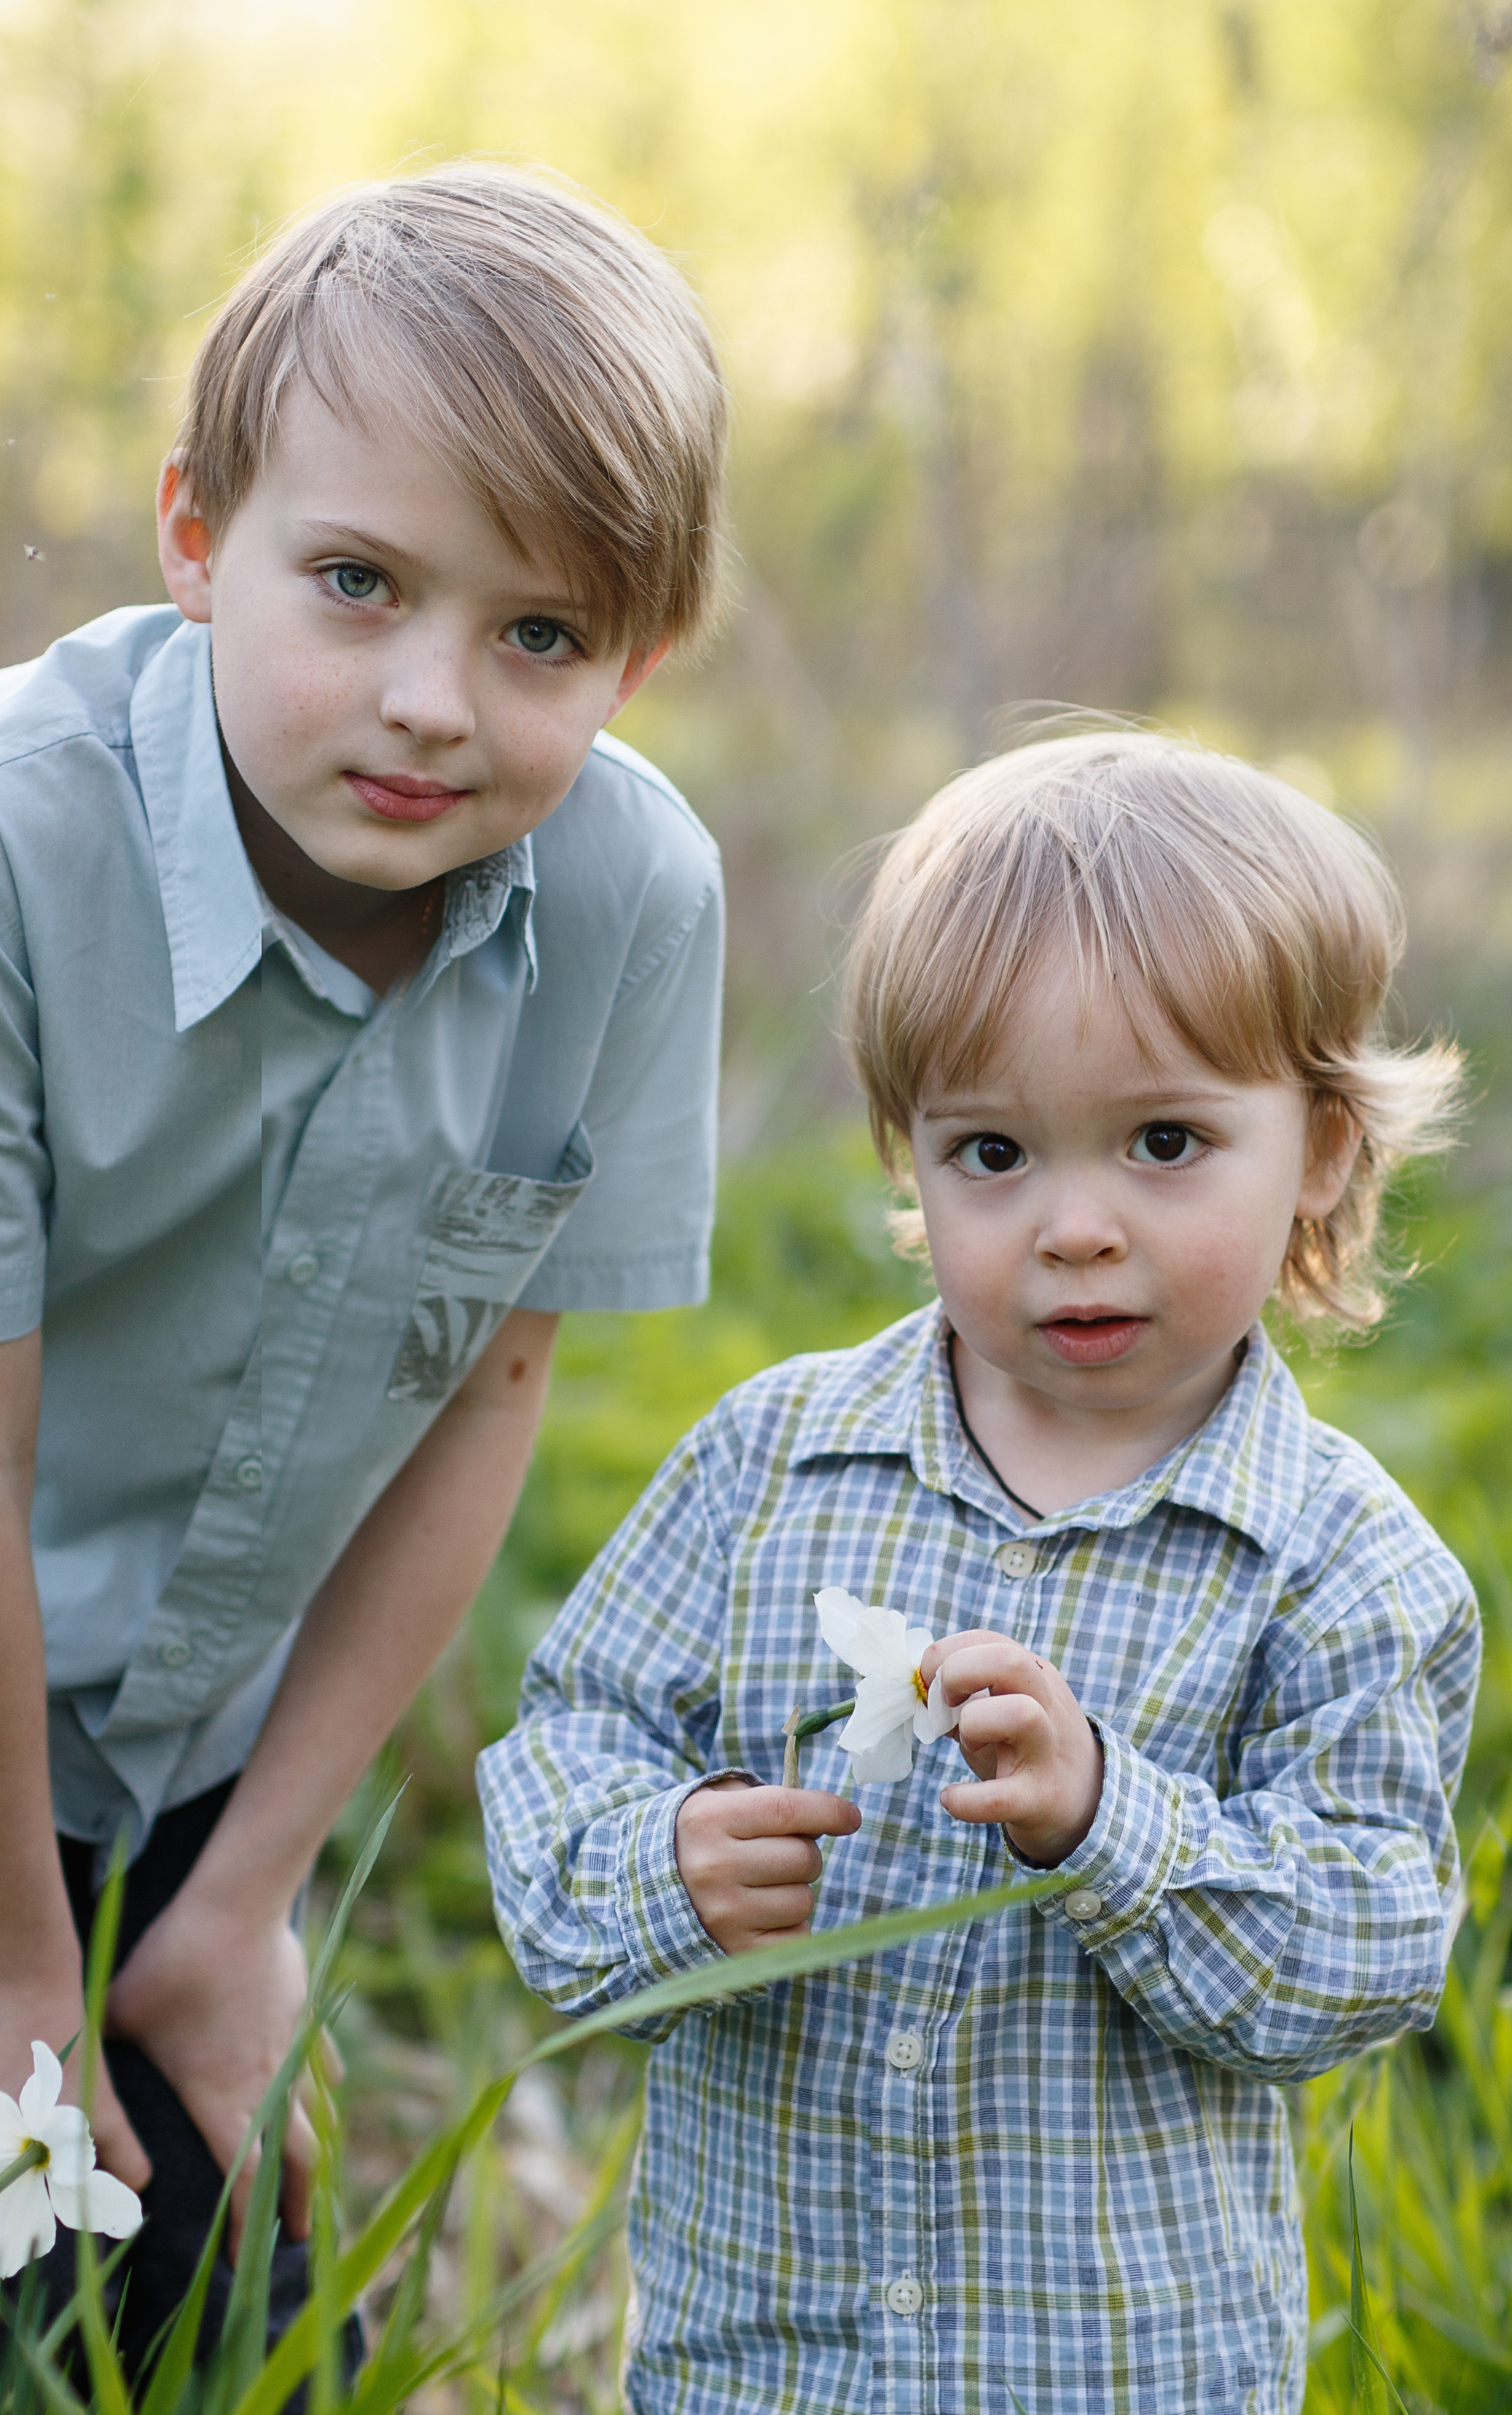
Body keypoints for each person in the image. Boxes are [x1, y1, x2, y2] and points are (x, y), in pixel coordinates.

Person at [480, 729, 1483, 2414]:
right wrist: (665, 1863)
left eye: (1161, 1140)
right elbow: (562, 1748)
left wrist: (1107, 1820)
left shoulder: (1338, 1563)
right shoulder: (769, 1463)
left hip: (1113, 2372)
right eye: (993, 1154)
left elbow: (1361, 1950)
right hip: (761, 2364)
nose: (1072, 1226)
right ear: (908, 1155)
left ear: (1320, 1148)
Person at [0, 162, 727, 2378]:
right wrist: (23, 1973)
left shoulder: (626, 897)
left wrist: (234, 1907)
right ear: (195, 536)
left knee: (213, 2328)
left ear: (637, 661)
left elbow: (486, 1393)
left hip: (185, 1760)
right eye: (357, 583)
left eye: (539, 637)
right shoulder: (23, 842)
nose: (430, 701)